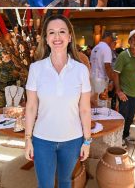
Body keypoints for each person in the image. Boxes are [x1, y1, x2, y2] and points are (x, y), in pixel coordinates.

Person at [25, 14, 92, 188]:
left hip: (73, 139)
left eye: (62, 32)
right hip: (42, 140)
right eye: (52, 32)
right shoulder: (36, 68)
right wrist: (27, 139)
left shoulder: (81, 70)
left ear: (69, 37)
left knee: (65, 181)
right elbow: (31, 107)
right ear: (46, 39)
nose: (57, 37)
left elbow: (85, 109)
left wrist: (87, 141)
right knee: (45, 185)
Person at [114, 29, 135, 145]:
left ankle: (125, 136)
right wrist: (118, 91)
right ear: (129, 41)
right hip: (125, 93)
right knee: (123, 117)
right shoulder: (123, 56)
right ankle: (118, 138)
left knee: (131, 117)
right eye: (133, 38)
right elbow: (116, 73)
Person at [89, 31, 117, 107]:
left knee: (94, 102)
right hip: (101, 80)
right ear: (108, 38)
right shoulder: (106, 48)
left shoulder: (95, 47)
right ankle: (101, 118)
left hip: (92, 78)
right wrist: (112, 80)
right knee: (102, 103)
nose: (112, 42)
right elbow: (107, 66)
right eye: (112, 39)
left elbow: (90, 65)